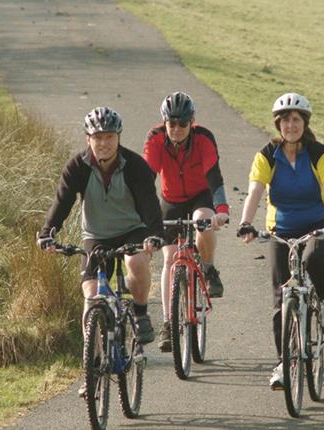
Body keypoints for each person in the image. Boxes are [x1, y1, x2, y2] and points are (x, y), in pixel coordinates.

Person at [36, 107, 164, 396]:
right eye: (97, 137)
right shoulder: (77, 167)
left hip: (133, 230)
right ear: (88, 139)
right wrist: (48, 233)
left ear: (118, 137)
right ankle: (92, 368)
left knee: (136, 262)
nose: (103, 143)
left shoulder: (135, 166)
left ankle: (141, 314)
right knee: (91, 297)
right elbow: (62, 203)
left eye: (109, 137)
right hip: (96, 236)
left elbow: (149, 204)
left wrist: (155, 235)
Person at [237, 93, 324, 390]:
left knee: (313, 258)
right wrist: (245, 223)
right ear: (278, 123)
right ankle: (282, 364)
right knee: (280, 299)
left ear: (304, 123)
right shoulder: (267, 155)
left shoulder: (319, 153)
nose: (290, 125)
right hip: (281, 229)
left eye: (296, 119)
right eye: (285, 120)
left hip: (318, 223)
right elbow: (255, 191)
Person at [143, 91, 230, 353]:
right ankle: (169, 323)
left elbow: (214, 176)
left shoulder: (203, 138)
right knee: (169, 260)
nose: (177, 129)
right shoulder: (155, 139)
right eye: (172, 124)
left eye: (183, 124)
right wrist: (143, 215)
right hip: (170, 200)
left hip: (199, 196)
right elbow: (146, 180)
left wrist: (222, 210)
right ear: (164, 122)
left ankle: (209, 268)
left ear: (192, 122)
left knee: (202, 220)